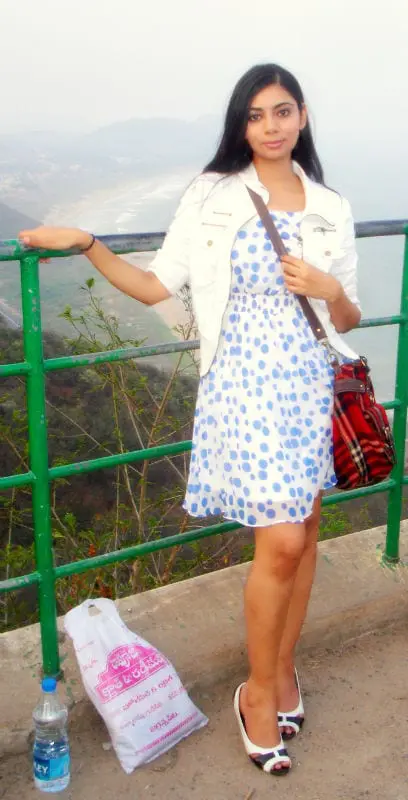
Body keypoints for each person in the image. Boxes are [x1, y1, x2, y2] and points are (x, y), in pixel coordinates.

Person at [20, 63, 361, 776]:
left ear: (302, 117)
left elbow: (350, 315)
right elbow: (155, 285)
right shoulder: (214, 194)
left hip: (310, 383)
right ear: (242, 125)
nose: (271, 126)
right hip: (245, 387)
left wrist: (330, 288)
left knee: (305, 534)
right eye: (256, 115)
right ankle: (257, 693)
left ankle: (284, 669)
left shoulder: (331, 204)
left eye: (283, 111)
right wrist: (88, 243)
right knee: (281, 541)